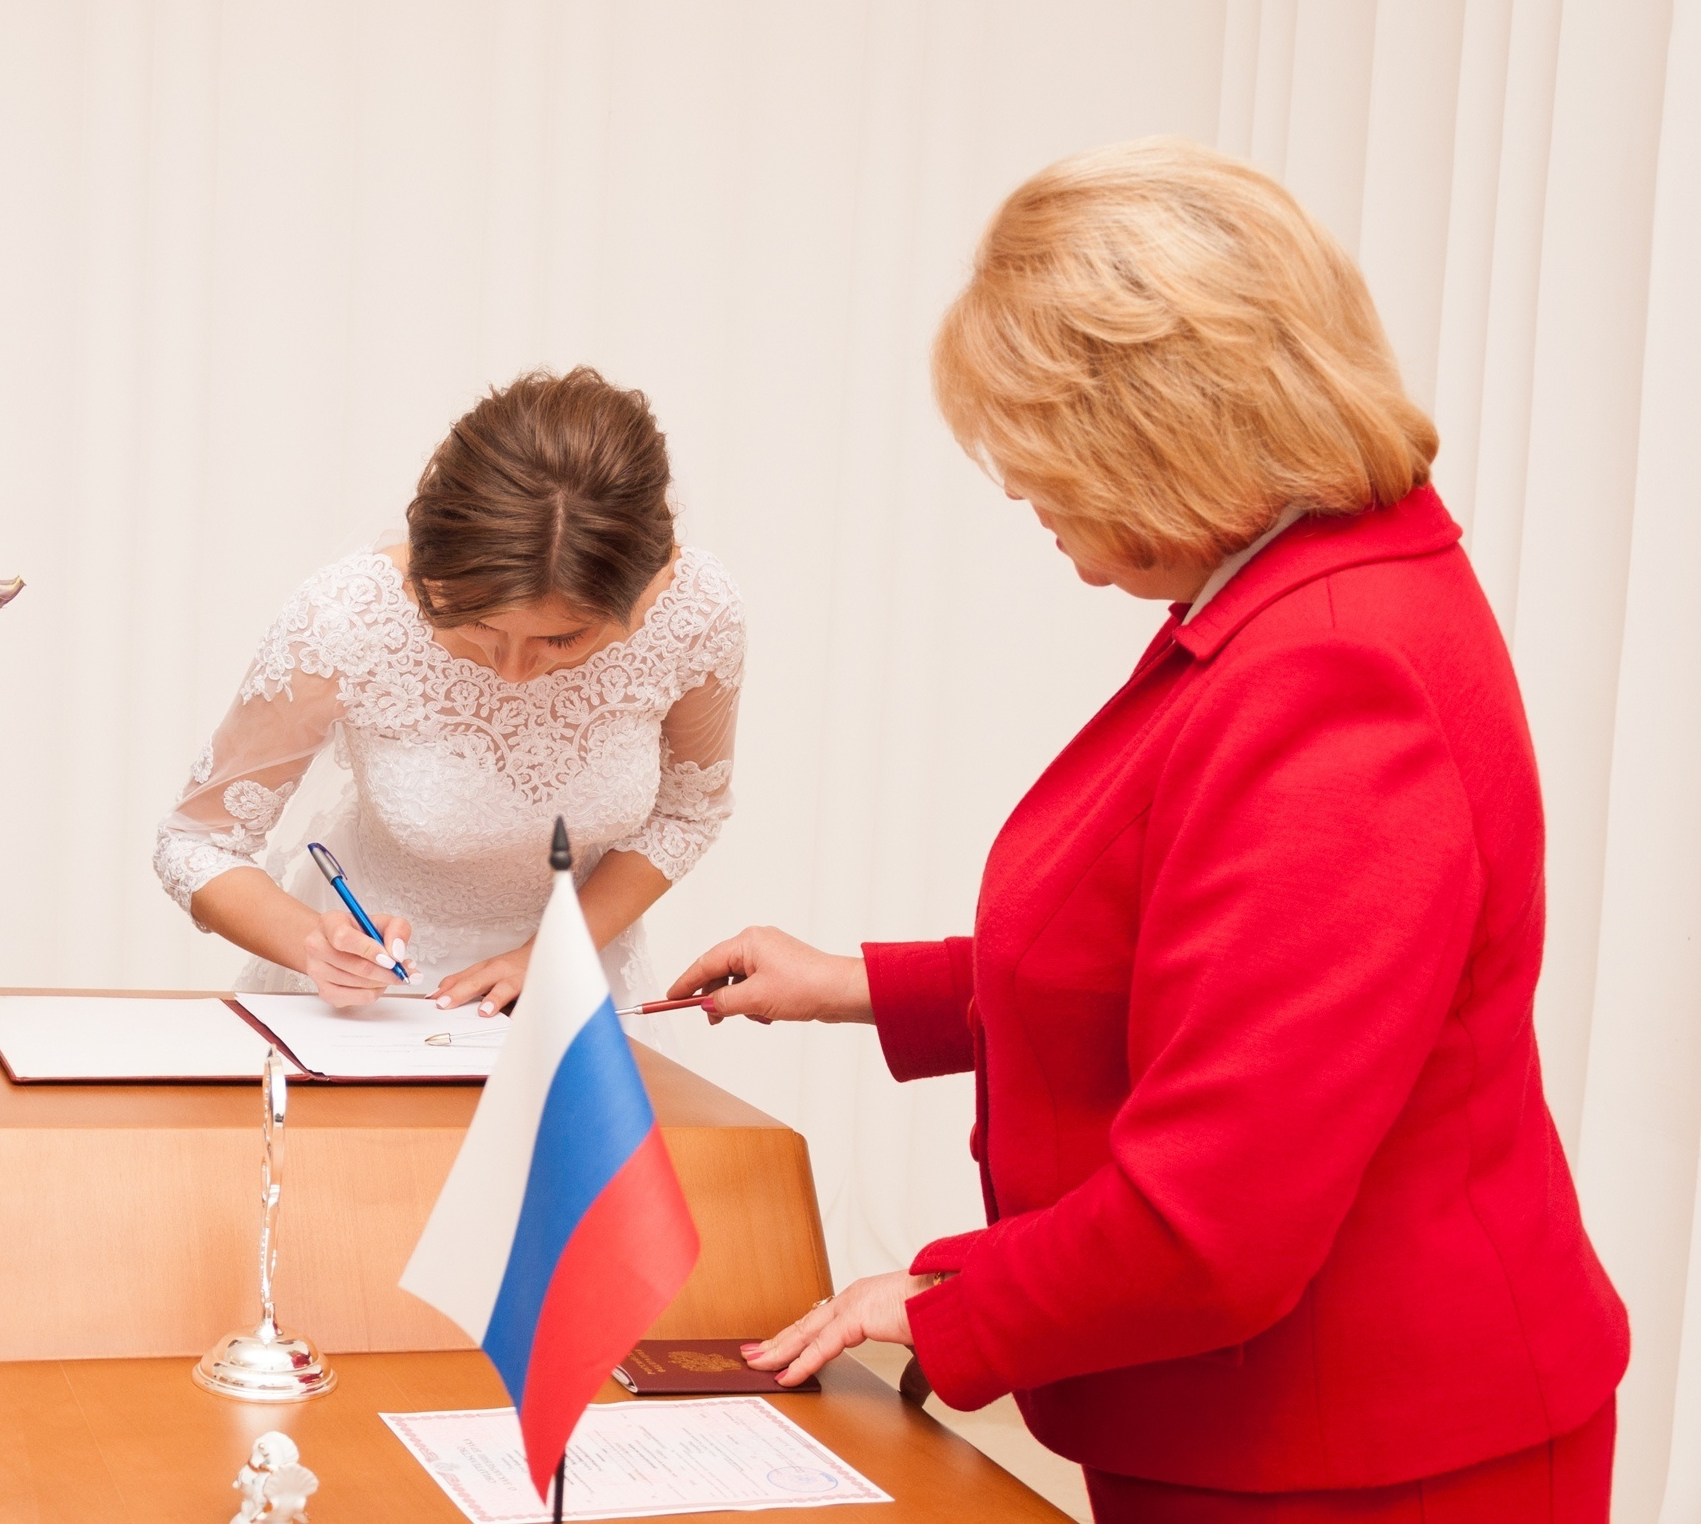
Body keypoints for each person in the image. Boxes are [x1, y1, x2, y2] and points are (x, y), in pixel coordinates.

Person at [667, 140, 1628, 1521]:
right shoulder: (1311, 588)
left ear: (1164, 425)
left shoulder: (1334, 666)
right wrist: (865, 985)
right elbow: (1188, 957)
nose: (1021, 492)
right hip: (1290, 1422)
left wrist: (940, 1296)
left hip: (1359, 1452)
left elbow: (1216, 1216)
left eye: (1040, 453)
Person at [156, 366, 744, 1012]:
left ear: (645, 587)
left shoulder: (694, 615)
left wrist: (550, 951)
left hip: (571, 989)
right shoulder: (347, 621)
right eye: (479, 626)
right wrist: (311, 943)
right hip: (375, 1007)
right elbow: (195, 842)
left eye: (564, 639)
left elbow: (687, 811)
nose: (515, 670)